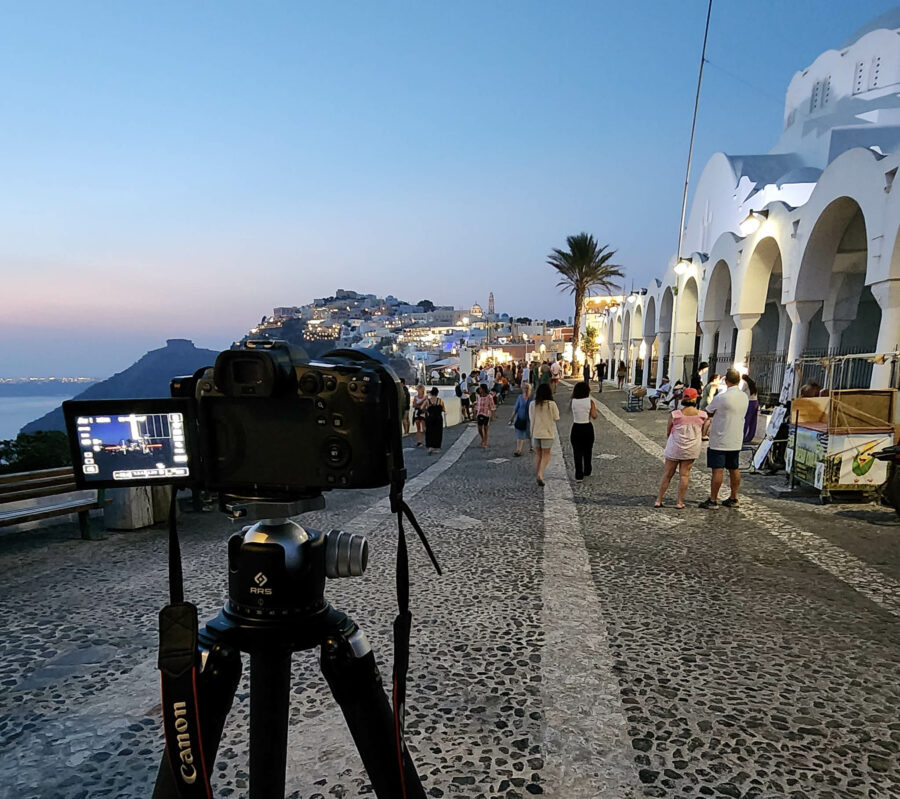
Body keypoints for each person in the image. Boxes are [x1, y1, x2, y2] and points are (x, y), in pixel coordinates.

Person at [699, 368, 749, 509]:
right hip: (736, 438)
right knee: (734, 468)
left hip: (720, 438)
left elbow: (708, 412)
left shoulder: (722, 397)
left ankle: (714, 499)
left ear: (726, 381)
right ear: (739, 381)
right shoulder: (744, 396)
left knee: (718, 470)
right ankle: (734, 497)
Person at [654, 387, 707, 509]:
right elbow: (703, 430)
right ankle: (679, 502)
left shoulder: (675, 415)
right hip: (691, 448)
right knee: (685, 475)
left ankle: (659, 500)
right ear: (695, 399)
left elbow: (668, 431)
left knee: (667, 474)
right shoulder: (702, 415)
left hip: (675, 446)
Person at [529, 382, 560, 486]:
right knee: (546, 454)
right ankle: (541, 474)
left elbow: (531, 418)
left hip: (536, 432)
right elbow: (556, 417)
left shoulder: (533, 404)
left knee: (538, 454)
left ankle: (537, 472)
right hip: (547, 433)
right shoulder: (551, 404)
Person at [569, 381, 598, 482]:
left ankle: (578, 474)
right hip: (587, 427)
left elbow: (571, 411)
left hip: (576, 427)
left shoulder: (573, 401)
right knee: (587, 450)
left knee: (577, 451)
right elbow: (594, 416)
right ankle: (587, 469)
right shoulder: (590, 402)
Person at [510, 383, 532, 457]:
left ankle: (531, 447)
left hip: (529, 420)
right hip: (520, 418)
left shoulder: (532, 398)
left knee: (529, 435)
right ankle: (518, 450)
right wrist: (512, 418)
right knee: (520, 435)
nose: (526, 390)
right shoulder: (520, 397)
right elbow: (516, 408)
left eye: (527, 388)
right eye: (524, 388)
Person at [424, 386, 446, 454]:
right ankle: (437, 448)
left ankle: (430, 447)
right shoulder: (440, 400)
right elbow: (444, 409)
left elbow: (422, 408)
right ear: (437, 393)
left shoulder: (428, 401)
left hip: (430, 418)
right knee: (438, 433)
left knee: (430, 432)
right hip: (438, 418)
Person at [474, 383, 496, 448]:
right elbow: (477, 404)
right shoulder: (478, 396)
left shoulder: (489, 396)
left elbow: (492, 406)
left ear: (483, 389)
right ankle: (482, 438)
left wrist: (492, 415)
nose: (479, 389)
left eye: (480, 388)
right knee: (479, 428)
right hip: (480, 413)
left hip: (486, 414)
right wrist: (475, 413)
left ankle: (485, 442)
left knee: (486, 429)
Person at [743, 374, 759, 444]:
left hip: (749, 402)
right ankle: (750, 437)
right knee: (753, 421)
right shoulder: (752, 383)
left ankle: (742, 436)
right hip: (755, 402)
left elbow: (741, 391)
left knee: (746, 420)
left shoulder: (745, 383)